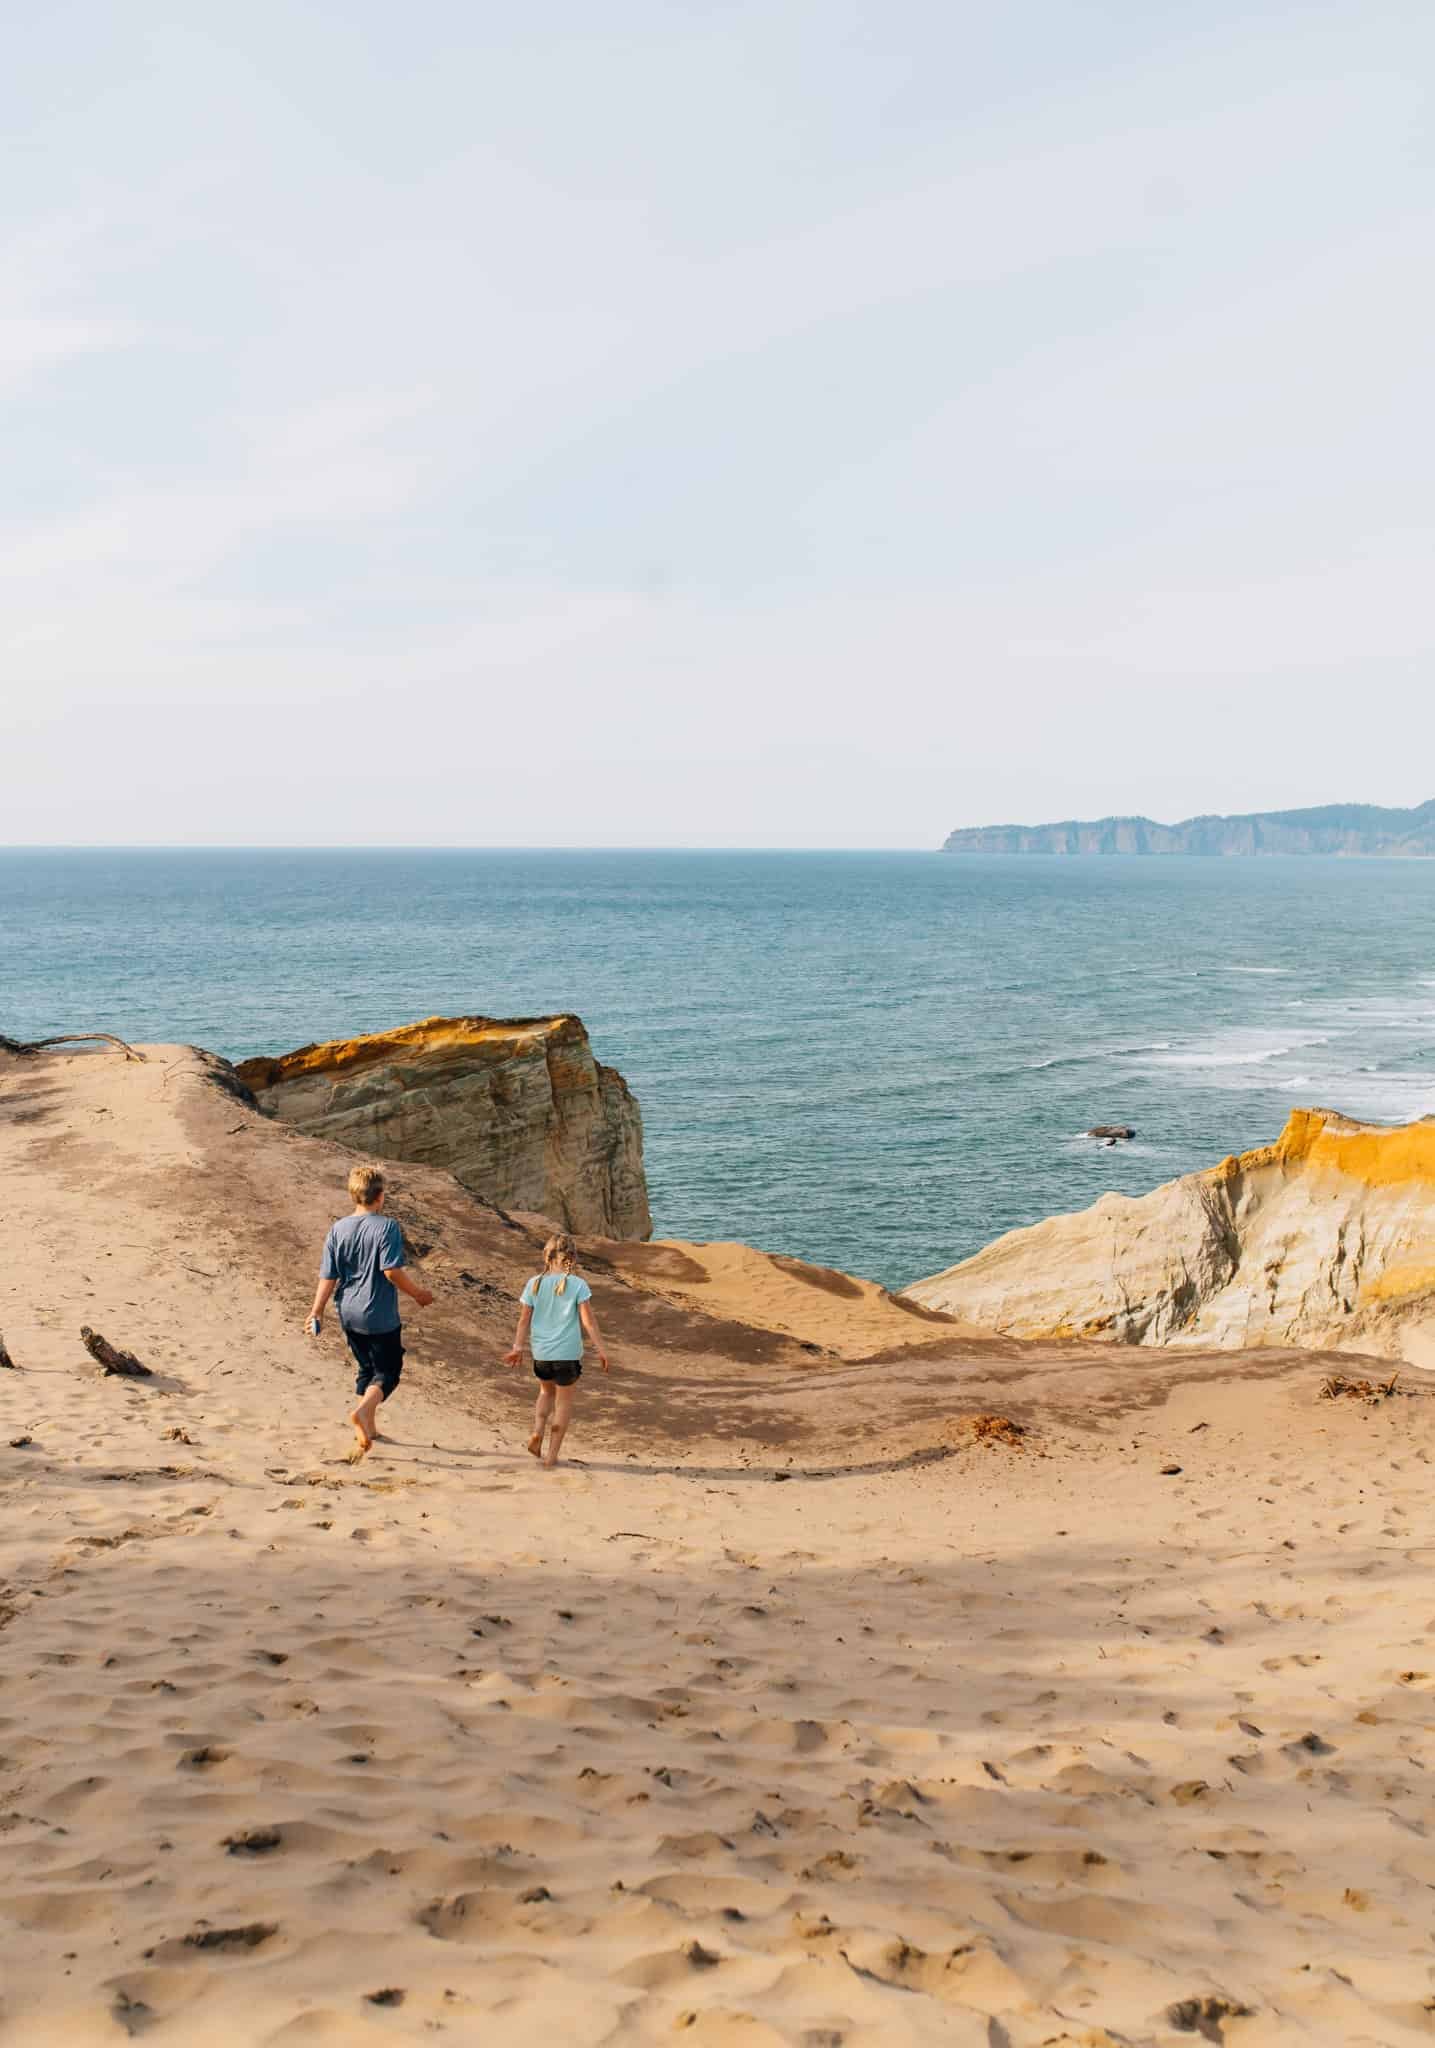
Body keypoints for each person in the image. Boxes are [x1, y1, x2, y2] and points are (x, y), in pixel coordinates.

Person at [306, 1162, 434, 1457]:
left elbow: (329, 1274)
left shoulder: (338, 1228)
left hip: (347, 1311)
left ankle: (370, 1427)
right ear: (381, 1196)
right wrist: (418, 1294)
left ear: (354, 1195)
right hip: (377, 1314)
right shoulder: (387, 1226)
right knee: (389, 1371)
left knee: (367, 1368)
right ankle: (363, 1411)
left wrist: (316, 1311)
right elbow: (390, 1270)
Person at [504, 1231, 609, 1468]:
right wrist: (601, 1350)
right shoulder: (578, 1284)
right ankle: (551, 1456)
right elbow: (588, 1322)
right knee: (563, 1403)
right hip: (567, 1355)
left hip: (541, 1354)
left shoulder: (534, 1283)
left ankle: (537, 1431)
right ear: (573, 1257)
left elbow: (523, 1321)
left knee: (545, 1393)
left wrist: (517, 1347)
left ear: (546, 1256)